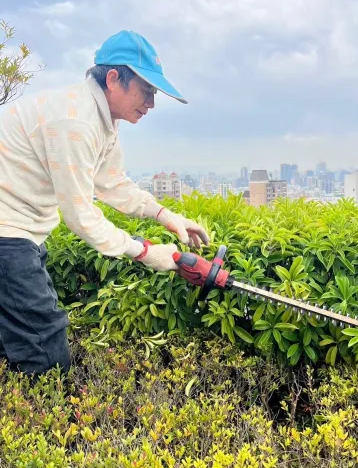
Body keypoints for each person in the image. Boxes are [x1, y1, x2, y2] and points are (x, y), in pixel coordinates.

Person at [0, 30, 209, 376]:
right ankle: (41, 420)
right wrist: (145, 252)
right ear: (114, 78)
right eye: (146, 91)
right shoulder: (75, 123)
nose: (152, 103)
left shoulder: (100, 119)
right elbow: (81, 216)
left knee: (16, 339)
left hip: (19, 232)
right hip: (8, 233)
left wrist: (165, 215)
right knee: (46, 355)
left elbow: (112, 182)